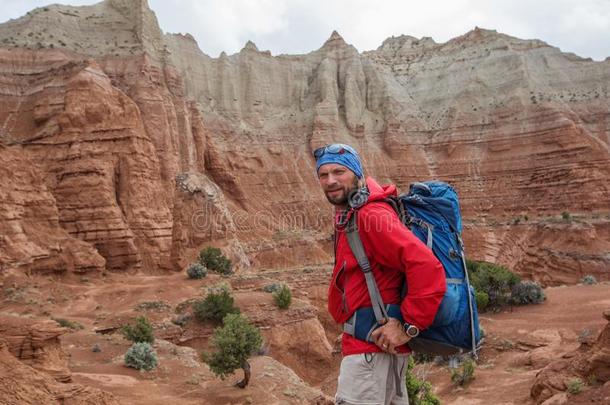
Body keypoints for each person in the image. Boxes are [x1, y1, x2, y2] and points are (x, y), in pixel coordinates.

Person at [314, 143, 446, 405]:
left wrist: (409, 327)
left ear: (356, 173)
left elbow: (427, 266)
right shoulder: (353, 213)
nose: (330, 181)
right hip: (376, 351)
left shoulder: (370, 214)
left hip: (371, 354)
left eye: (339, 172)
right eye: (323, 174)